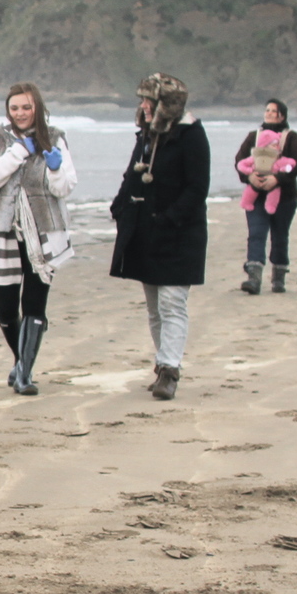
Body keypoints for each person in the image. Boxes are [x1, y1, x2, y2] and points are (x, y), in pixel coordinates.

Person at [108, 72, 208, 401]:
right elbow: (131, 174)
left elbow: (197, 188)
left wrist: (169, 219)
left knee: (172, 304)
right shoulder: (147, 135)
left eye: (148, 101)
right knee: (154, 308)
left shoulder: (191, 135)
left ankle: (170, 369)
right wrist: (120, 207)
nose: (143, 106)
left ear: (165, 104)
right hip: (146, 231)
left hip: (180, 234)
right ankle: (164, 361)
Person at [0, 82, 77, 395]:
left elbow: (65, 187)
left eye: (26, 107)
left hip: (42, 232)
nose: (20, 113)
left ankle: (24, 375)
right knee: (5, 310)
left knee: (34, 305)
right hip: (5, 229)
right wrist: (17, 152)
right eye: (15, 107)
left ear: (38, 108)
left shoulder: (55, 137)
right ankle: (22, 362)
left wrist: (56, 168)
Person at [233, 99, 297, 295]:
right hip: (256, 197)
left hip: (285, 198)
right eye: (267, 110)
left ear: (282, 115)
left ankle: (279, 277)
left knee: (280, 237)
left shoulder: (291, 138)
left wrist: (278, 178)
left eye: (273, 111)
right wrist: (249, 178)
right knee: (256, 234)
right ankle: (254, 278)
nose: (268, 113)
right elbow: (240, 161)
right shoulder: (253, 137)